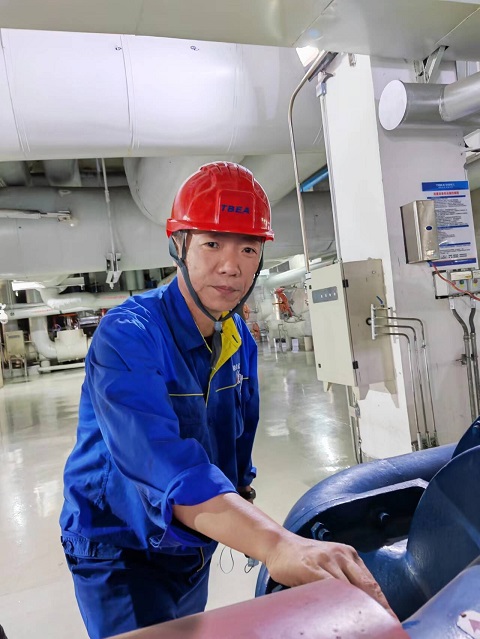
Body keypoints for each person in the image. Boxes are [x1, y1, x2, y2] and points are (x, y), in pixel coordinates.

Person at [60, 162, 393, 639]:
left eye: (248, 248)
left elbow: (235, 441)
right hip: (119, 546)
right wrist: (275, 545)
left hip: (192, 540)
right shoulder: (128, 336)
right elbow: (162, 463)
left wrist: (240, 497)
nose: (231, 266)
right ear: (179, 245)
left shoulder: (238, 338)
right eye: (213, 244)